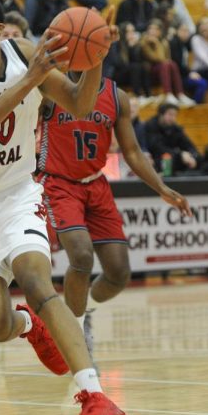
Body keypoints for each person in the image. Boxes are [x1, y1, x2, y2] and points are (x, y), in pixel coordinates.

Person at [0, 0, 131, 415]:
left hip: (19, 194)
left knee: (39, 281)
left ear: (1, 28)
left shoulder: (24, 53)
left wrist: (95, 55)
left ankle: (95, 397)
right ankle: (29, 325)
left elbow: (81, 104)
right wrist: (31, 81)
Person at [37, 71, 191, 359]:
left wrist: (161, 188)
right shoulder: (49, 88)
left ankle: (85, 308)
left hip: (96, 183)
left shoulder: (115, 96)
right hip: (58, 183)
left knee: (119, 273)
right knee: (81, 256)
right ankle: (77, 332)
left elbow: (131, 151)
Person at [143, 102, 201, 174]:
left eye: (175, 115)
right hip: (155, 158)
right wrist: (180, 154)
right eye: (170, 115)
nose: (173, 118)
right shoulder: (150, 126)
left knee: (199, 159)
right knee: (168, 158)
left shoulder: (175, 128)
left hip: (174, 157)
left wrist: (192, 156)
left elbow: (189, 145)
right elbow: (157, 148)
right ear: (161, 114)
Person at [140, 20, 188, 105]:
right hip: (149, 73)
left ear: (160, 31)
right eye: (150, 29)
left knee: (172, 64)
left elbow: (168, 59)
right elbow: (157, 58)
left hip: (163, 72)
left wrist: (158, 43)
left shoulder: (164, 42)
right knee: (165, 64)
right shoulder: (144, 42)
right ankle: (168, 94)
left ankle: (180, 94)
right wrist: (157, 44)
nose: (152, 31)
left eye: (155, 29)